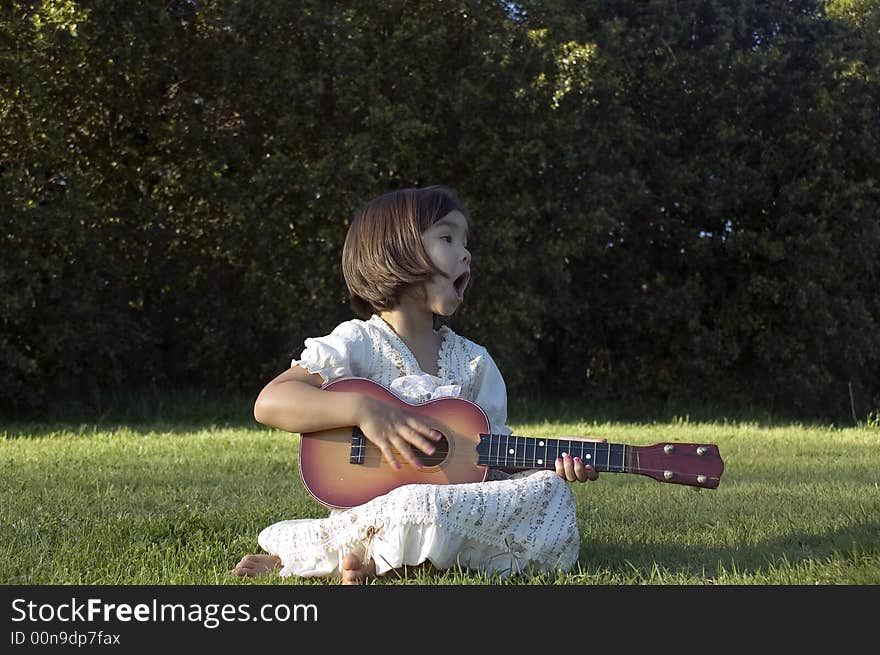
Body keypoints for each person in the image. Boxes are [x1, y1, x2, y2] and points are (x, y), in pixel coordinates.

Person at [233, 185, 599, 584]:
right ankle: (336, 553)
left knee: (549, 494)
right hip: (378, 506)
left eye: (465, 241)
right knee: (417, 503)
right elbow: (270, 401)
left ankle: (366, 560)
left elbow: (491, 461)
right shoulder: (359, 342)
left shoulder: (473, 361)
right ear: (396, 250)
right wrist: (363, 410)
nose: (466, 253)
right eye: (447, 238)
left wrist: (556, 455)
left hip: (452, 502)